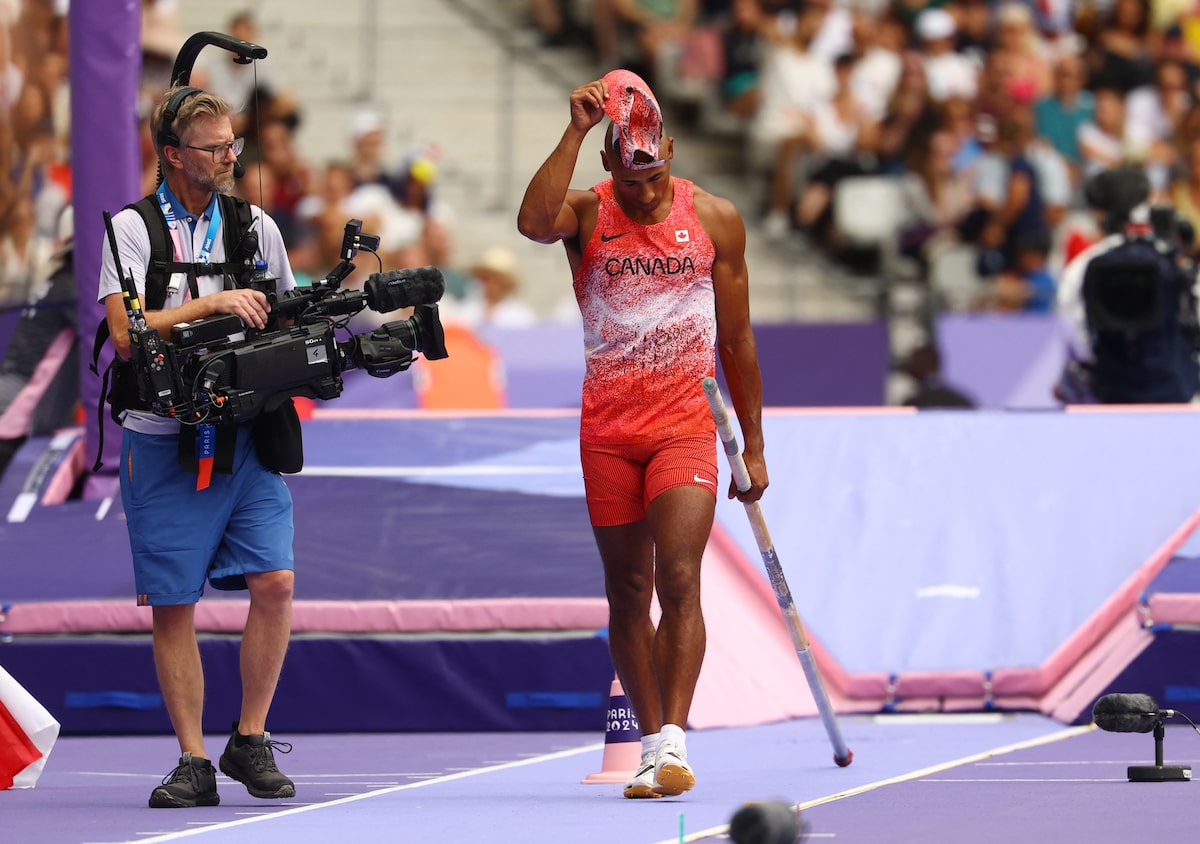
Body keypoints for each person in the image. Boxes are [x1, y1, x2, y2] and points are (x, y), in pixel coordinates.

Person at [516, 68, 768, 799]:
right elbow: (532, 223)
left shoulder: (715, 218)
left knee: (679, 576)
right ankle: (652, 747)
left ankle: (674, 740)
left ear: (671, 152)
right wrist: (574, 129)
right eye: (631, 182)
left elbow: (739, 340)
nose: (646, 193)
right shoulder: (587, 213)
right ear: (608, 165)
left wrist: (754, 445)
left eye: (655, 179)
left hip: (685, 424)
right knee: (627, 591)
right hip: (608, 430)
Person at [96, 84, 299, 809]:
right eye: (213, 149)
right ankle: (192, 759)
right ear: (173, 155)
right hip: (161, 438)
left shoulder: (256, 226)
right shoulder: (131, 228)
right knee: (173, 603)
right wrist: (211, 305)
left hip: (246, 431)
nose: (228, 158)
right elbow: (125, 333)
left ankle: (250, 738)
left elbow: (290, 315)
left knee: (276, 582)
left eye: (232, 145)